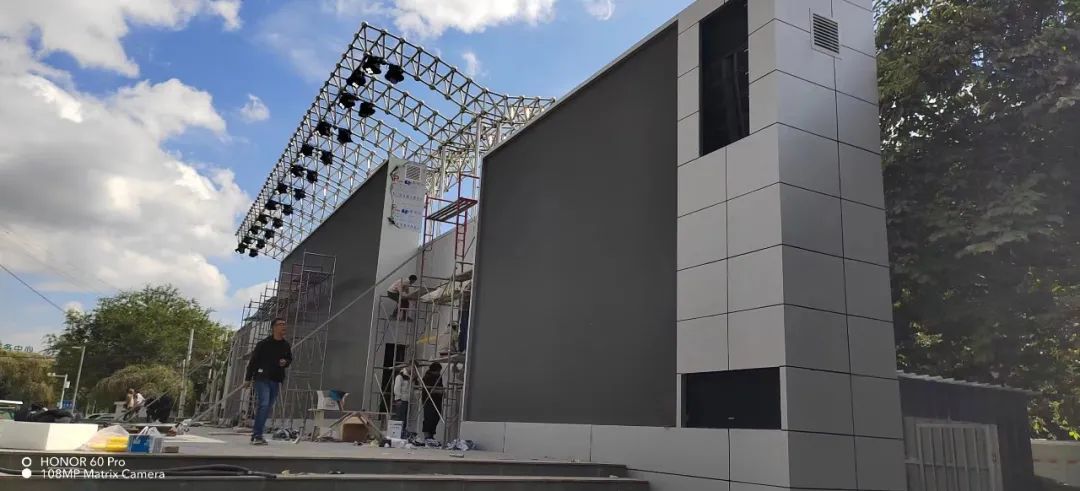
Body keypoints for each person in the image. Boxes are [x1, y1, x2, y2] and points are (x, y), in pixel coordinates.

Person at [244, 317, 293, 445]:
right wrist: (248, 378)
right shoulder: (263, 344)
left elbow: (289, 359)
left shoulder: (286, 345)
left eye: (284, 324)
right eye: (281, 324)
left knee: (267, 407)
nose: (284, 326)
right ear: (274, 327)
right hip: (262, 377)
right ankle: (257, 435)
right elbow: (253, 361)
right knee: (264, 404)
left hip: (275, 379)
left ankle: (257, 433)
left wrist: (285, 362)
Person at [420, 362, 444, 442]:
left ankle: (431, 435)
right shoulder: (427, 377)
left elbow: (441, 386)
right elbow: (428, 389)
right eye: (438, 371)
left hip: (437, 400)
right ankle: (427, 436)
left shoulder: (439, 377)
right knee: (429, 417)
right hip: (428, 400)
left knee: (436, 417)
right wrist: (438, 391)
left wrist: (441, 392)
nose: (439, 373)